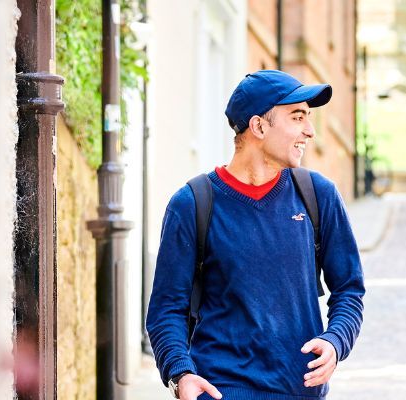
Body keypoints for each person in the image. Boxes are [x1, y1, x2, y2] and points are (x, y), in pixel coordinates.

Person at [146, 70, 365, 400]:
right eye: (297, 116)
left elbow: (349, 289)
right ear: (259, 126)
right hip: (220, 392)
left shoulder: (318, 196)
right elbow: (166, 310)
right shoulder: (192, 204)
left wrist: (336, 341)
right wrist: (181, 373)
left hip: (300, 392)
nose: (310, 130)